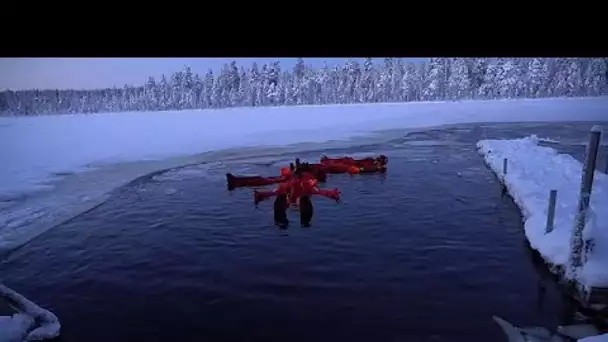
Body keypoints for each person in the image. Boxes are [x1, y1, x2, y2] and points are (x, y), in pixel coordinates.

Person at [254, 168, 340, 226]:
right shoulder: (290, 185)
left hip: (296, 200)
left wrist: (332, 193)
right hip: (295, 200)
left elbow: (319, 192)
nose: (294, 180)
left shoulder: (303, 185)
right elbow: (274, 192)